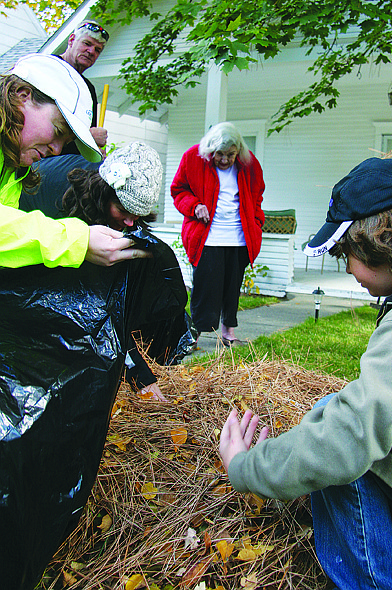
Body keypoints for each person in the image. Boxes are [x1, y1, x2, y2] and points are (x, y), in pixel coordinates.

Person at [219, 157, 392, 590]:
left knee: (339, 427)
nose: (349, 270)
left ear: (379, 242)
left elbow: (344, 437)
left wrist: (244, 466)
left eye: (346, 254)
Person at [20, 142, 197, 399]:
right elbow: (94, 307)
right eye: (123, 211)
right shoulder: (65, 204)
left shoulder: (111, 210)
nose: (129, 222)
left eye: (136, 215)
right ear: (104, 195)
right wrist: (140, 376)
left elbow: (115, 298)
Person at [0, 52, 151, 268]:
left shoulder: (14, 169)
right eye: (57, 130)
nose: (56, 149)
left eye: (66, 141)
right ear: (23, 96)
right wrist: (79, 241)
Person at [171, 122, 265, 346]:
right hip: (207, 236)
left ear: (238, 151)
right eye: (219, 154)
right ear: (210, 150)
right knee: (205, 286)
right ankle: (197, 333)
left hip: (239, 236)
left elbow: (258, 192)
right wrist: (194, 206)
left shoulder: (248, 163)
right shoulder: (193, 158)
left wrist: (256, 220)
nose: (224, 160)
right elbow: (178, 190)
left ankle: (228, 330)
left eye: (230, 155)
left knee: (232, 285)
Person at [57, 19, 110, 152]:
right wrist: (87, 136)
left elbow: (88, 138)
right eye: (87, 43)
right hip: (38, 158)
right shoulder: (50, 68)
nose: (91, 51)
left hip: (71, 162)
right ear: (71, 40)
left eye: (97, 50)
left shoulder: (88, 89)